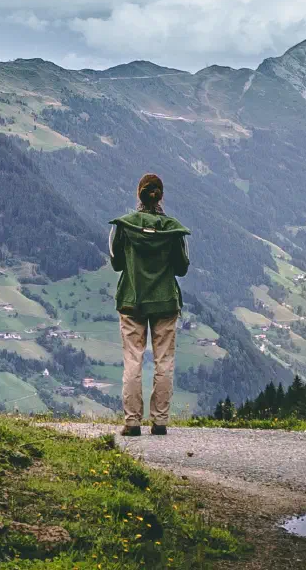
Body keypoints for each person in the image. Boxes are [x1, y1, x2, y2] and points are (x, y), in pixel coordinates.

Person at [109, 173, 189, 436]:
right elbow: (182, 268)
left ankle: (132, 422)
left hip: (132, 300)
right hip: (165, 302)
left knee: (133, 360)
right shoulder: (172, 229)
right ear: (160, 196)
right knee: (164, 360)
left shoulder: (125, 226)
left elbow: (117, 263)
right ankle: (160, 421)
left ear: (139, 195)